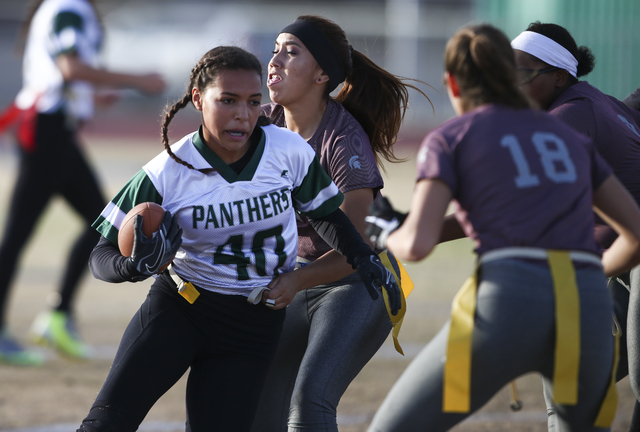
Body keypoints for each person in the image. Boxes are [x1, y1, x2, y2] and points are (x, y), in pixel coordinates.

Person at [76, 45, 400, 432]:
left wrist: (361, 256)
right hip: (181, 308)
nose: (243, 115)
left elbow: (327, 216)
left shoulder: (287, 150)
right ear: (198, 98)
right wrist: (133, 265)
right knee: (106, 424)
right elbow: (101, 255)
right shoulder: (167, 171)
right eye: (227, 100)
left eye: (252, 101)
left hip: (252, 323)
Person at [363, 23, 640, 432]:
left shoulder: (455, 136)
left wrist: (387, 230)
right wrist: (586, 273)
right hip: (583, 305)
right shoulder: (575, 130)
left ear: (451, 84)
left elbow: (417, 246)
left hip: (508, 304)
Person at [250, 15, 427, 432]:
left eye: (291, 52)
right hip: (298, 279)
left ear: (322, 75)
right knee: (255, 402)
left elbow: (359, 244)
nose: (274, 60)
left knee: (309, 402)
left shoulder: (341, 139)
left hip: (355, 285)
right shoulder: (262, 123)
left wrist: (295, 281)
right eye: (275, 48)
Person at [0, 0, 166, 365]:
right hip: (48, 132)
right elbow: (71, 68)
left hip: (54, 131)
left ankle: (57, 317)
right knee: (28, 233)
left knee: (99, 221)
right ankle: (54, 317)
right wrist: (137, 80)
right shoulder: (71, 6)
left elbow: (67, 75)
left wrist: (95, 96)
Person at [511, 22, 640, 431]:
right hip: (622, 261)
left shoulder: (570, 116)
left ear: (559, 78)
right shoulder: (599, 104)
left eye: (519, 73)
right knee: (571, 376)